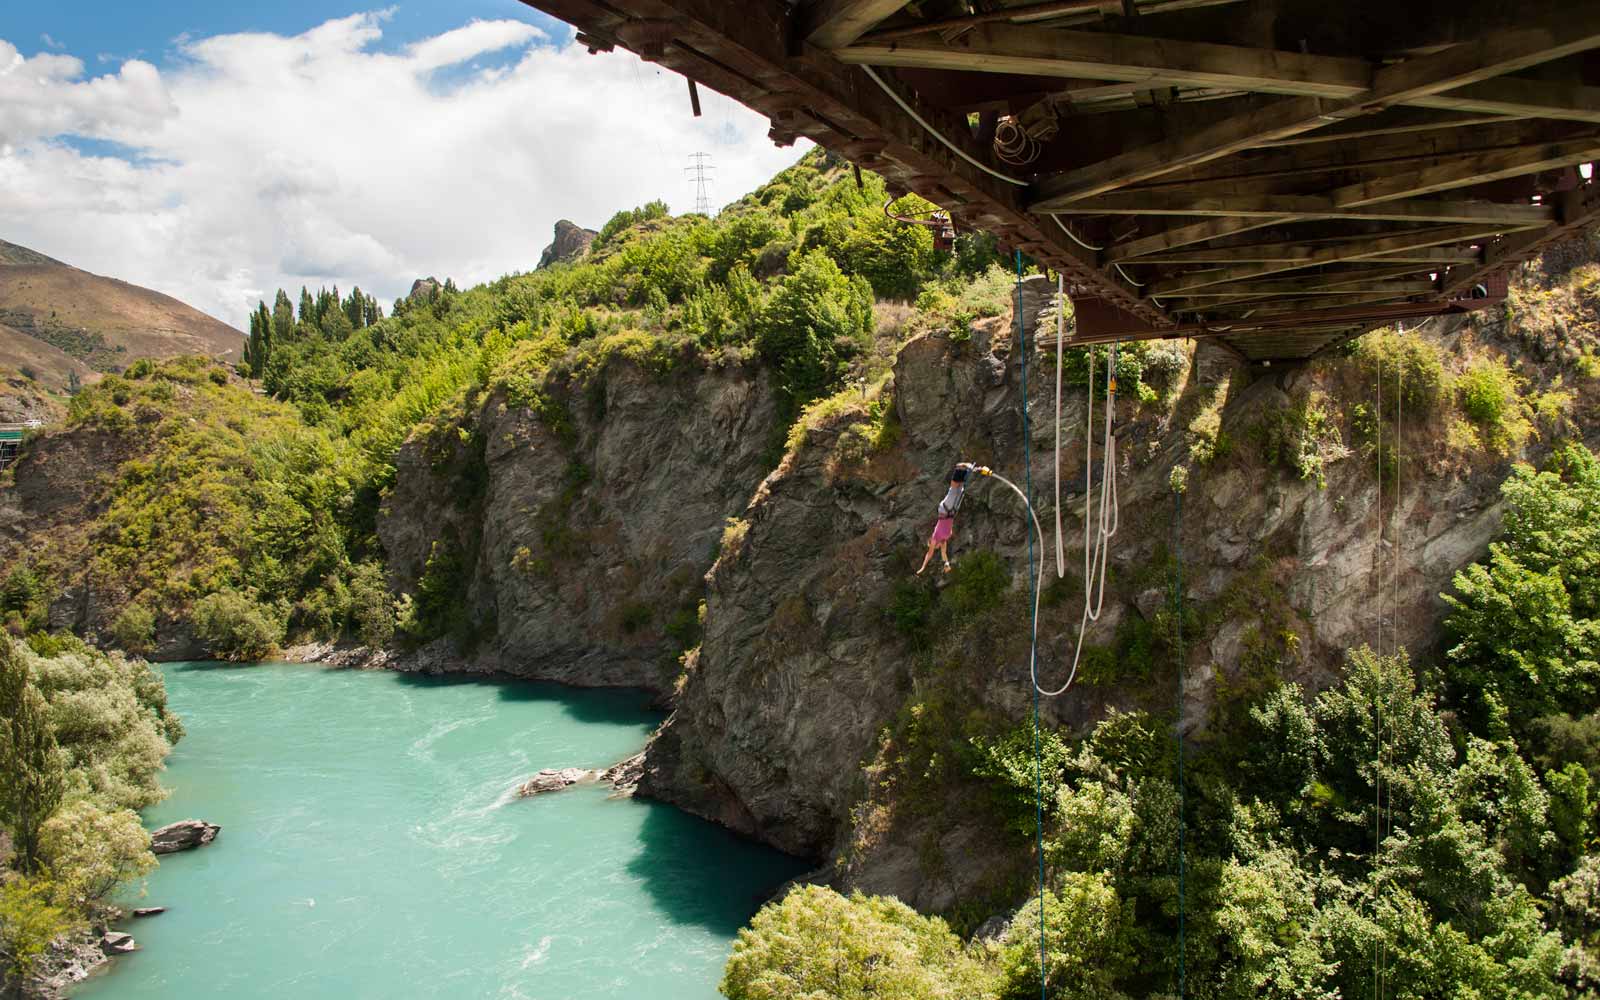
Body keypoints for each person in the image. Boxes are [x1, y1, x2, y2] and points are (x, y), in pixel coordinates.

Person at [917, 462, 988, 575]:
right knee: (960, 489)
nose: (936, 547)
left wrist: (923, 567)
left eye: (933, 546)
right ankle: (967, 470)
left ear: (932, 542)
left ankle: (960, 466)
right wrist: (947, 564)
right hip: (952, 512)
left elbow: (929, 554)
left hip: (945, 510)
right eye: (936, 547)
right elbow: (944, 554)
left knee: (954, 488)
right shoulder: (943, 541)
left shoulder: (936, 537)